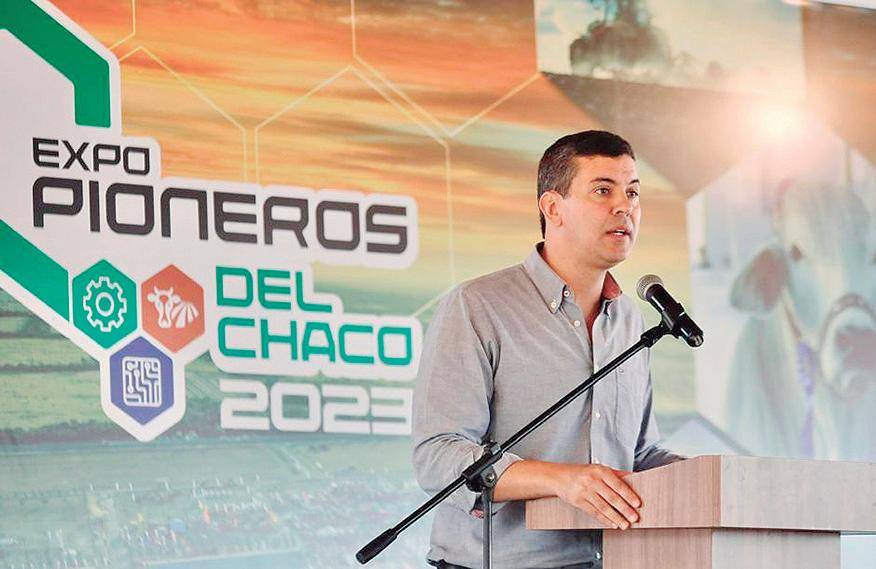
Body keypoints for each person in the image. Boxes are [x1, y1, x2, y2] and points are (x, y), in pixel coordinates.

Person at [412, 130, 685, 569]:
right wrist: (562, 481)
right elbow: (438, 455)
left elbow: (638, 455)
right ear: (553, 208)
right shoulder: (478, 306)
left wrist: (710, 476)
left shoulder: (630, 321)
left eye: (633, 193)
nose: (624, 206)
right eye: (603, 190)